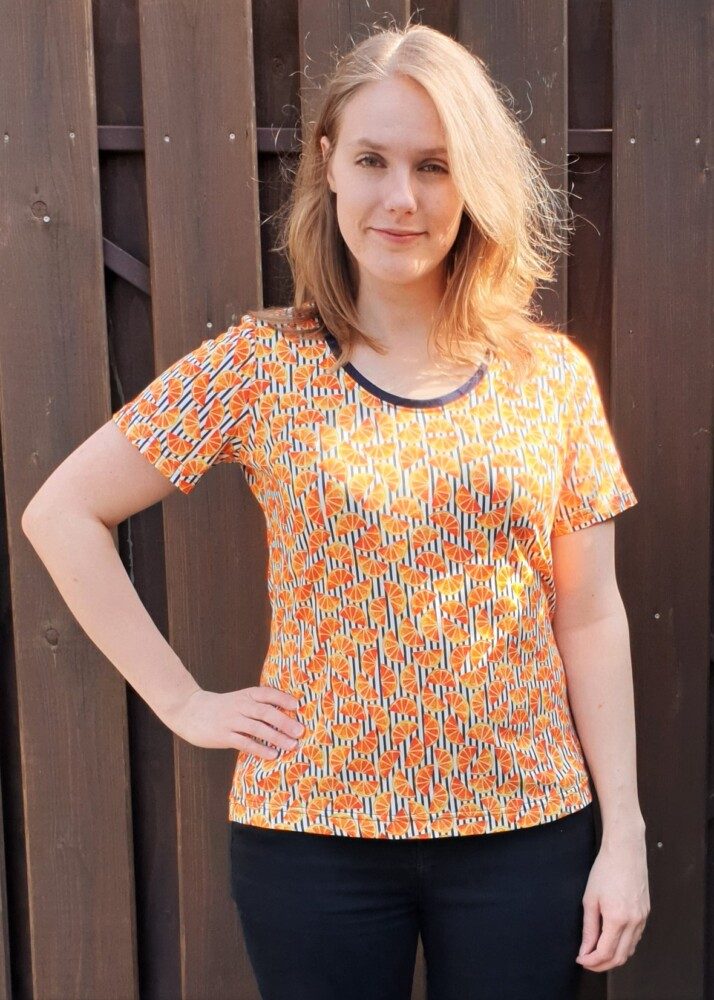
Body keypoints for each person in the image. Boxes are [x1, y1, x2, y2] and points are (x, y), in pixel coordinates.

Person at [22, 21, 650, 1000]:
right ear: (328, 164)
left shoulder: (550, 377)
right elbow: (62, 511)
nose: (403, 197)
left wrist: (624, 833)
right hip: (313, 837)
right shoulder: (260, 366)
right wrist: (183, 703)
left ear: (474, 181)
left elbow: (591, 612)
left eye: (435, 166)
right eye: (373, 160)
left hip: (527, 833)